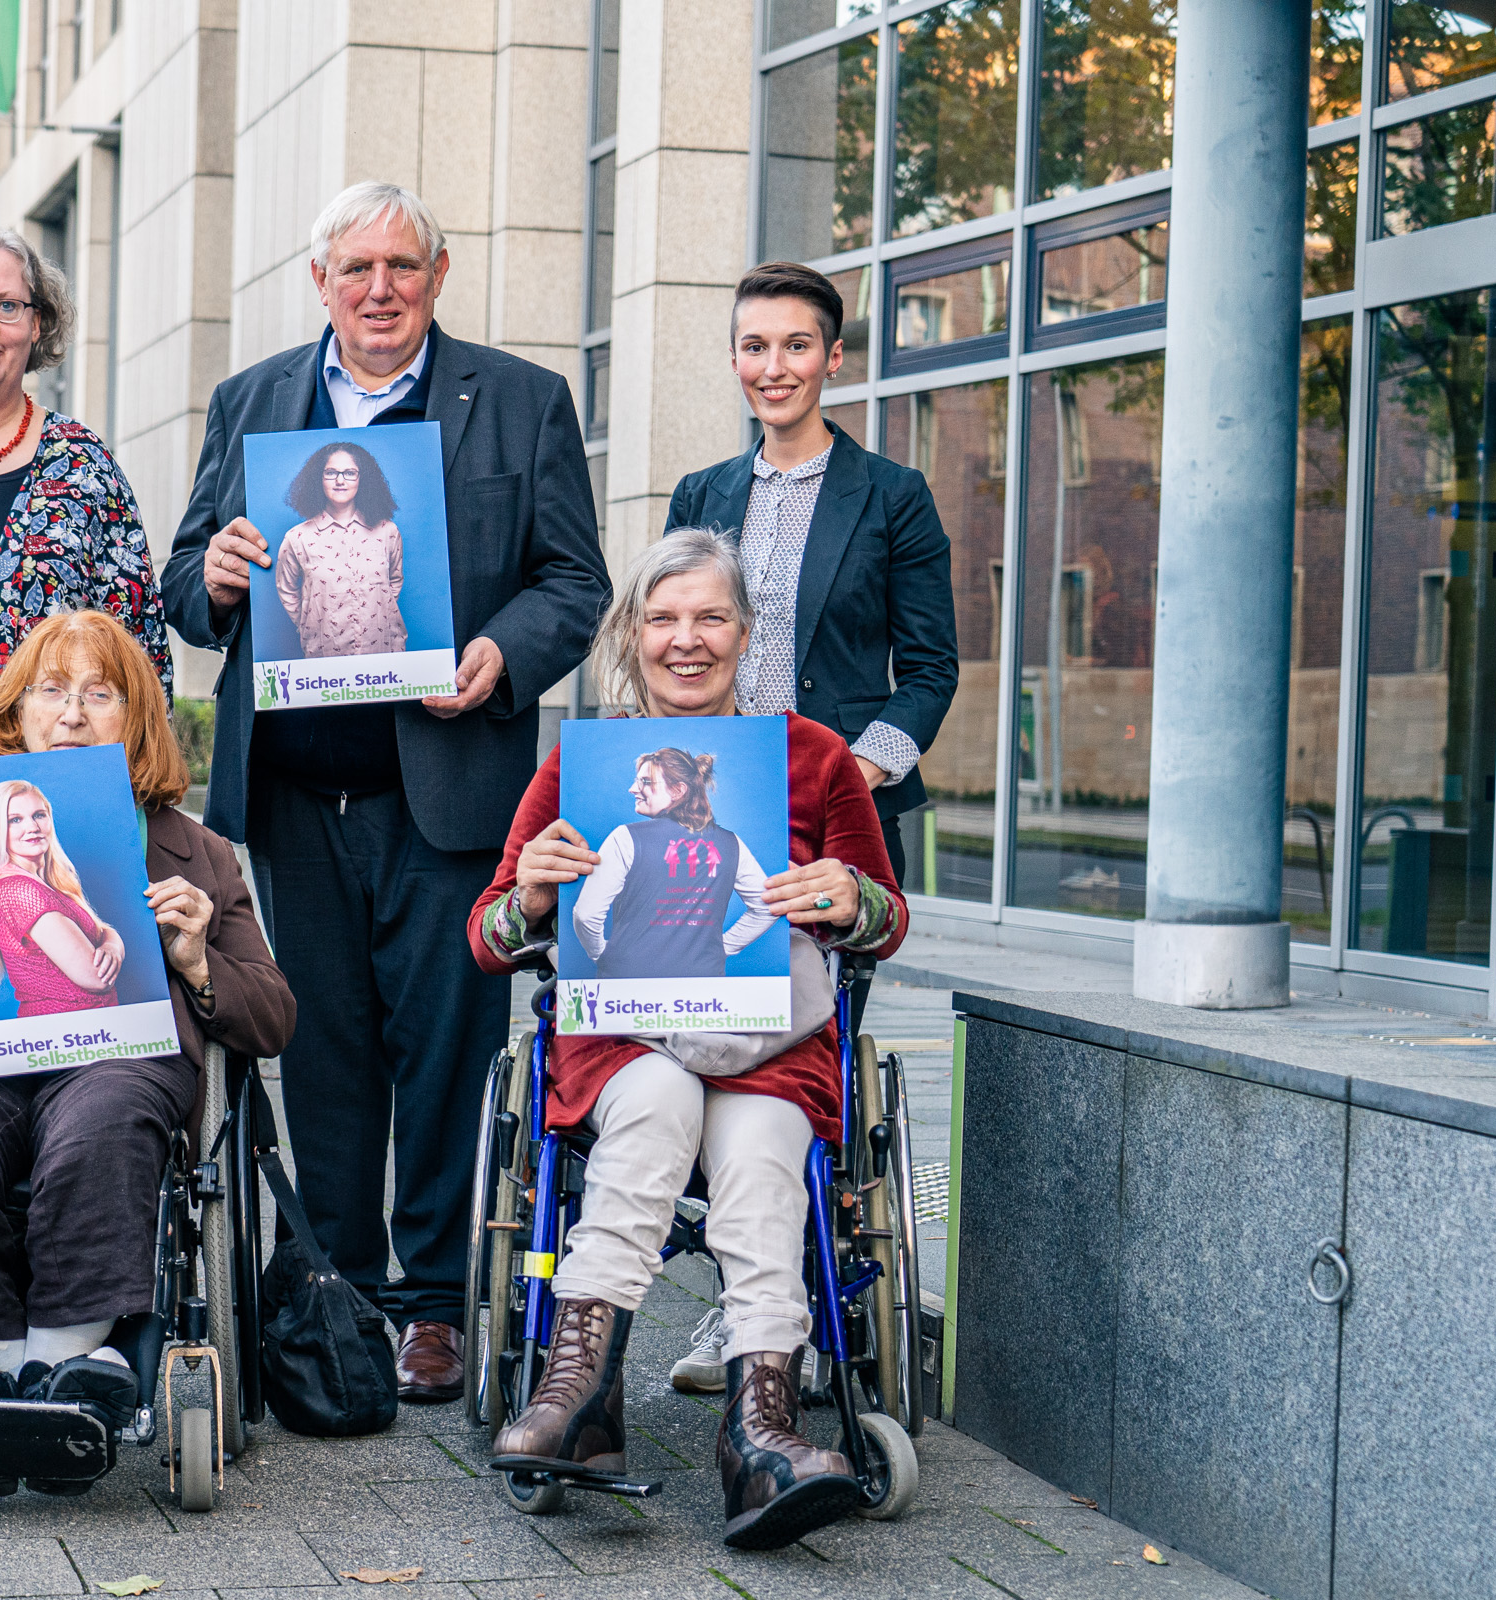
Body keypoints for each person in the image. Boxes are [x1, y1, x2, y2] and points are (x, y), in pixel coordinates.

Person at [162, 180, 609, 1403]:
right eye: (355, 268)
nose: (378, 289)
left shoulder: (521, 402)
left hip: (451, 792)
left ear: (440, 272)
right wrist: (220, 571)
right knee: (327, 1048)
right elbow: (184, 587)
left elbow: (576, 579)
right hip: (300, 798)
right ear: (320, 281)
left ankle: (431, 1302)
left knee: (449, 1049)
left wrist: (505, 653)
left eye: (401, 267)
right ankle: (339, 1285)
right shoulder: (255, 402)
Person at [467, 528, 907, 1551]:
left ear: (745, 633)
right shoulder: (586, 770)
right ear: (630, 633)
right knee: (656, 1110)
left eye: (710, 617)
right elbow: (489, 940)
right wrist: (533, 894)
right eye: (662, 619)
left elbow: (889, 919)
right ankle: (576, 1393)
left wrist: (851, 896)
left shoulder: (813, 759)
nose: (686, 640)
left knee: (759, 1162)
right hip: (629, 1046)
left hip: (765, 1042)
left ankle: (760, 1432)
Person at [0, 611, 294, 1493]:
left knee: (106, 1116)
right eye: (51, 691)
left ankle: (75, 1360)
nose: (72, 713)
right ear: (16, 713)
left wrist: (195, 960)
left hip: (112, 1058)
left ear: (137, 718)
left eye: (99, 694)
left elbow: (272, 1019)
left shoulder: (200, 852)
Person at [665, 261, 958, 885]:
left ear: (833, 357)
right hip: (715, 797)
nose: (774, 368)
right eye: (755, 347)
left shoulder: (895, 496)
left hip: (841, 811)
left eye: (797, 346)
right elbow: (667, 645)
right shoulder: (698, 496)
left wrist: (850, 776)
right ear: (735, 358)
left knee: (825, 984)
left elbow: (930, 670)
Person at [0, 224, 170, 738]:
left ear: (37, 324)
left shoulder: (83, 464)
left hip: (43, 784)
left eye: (8, 306)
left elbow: (138, 644)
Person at [572, 748, 778, 980]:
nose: (633, 789)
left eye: (645, 782)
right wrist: (720, 949)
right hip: (704, 985)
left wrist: (602, 955)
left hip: (627, 985)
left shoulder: (625, 837)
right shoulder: (732, 843)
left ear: (679, 790)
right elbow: (767, 906)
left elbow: (586, 914)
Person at [0, 778, 125, 1016]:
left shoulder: (48, 882)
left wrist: (112, 946)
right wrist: (112, 947)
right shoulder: (18, 890)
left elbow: (102, 931)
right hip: (65, 1036)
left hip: (90, 1031)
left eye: (39, 815)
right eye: (15, 820)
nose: (32, 827)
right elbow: (97, 977)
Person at [274, 441, 407, 659]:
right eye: (331, 473)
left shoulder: (388, 532)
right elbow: (286, 590)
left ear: (363, 479)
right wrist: (312, 623)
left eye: (349, 473)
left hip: (384, 650)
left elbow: (394, 581)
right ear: (318, 479)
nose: (340, 480)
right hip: (324, 654)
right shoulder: (297, 537)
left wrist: (375, 613)